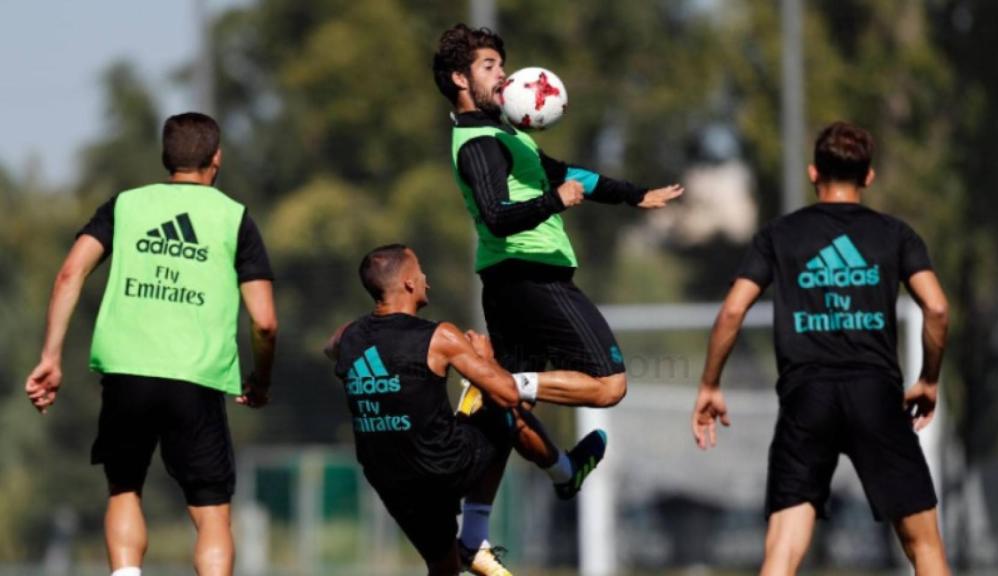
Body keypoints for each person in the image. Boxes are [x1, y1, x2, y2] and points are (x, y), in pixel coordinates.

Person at [690, 121, 951, 576]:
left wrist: (710, 383)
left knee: (783, 551)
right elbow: (937, 308)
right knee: (925, 548)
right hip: (876, 396)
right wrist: (929, 378)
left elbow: (732, 312)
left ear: (815, 174)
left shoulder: (778, 235)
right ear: (868, 177)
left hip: (806, 399)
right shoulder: (895, 234)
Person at [25, 112, 278, 576]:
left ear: (167, 159)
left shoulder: (124, 206)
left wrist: (51, 357)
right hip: (196, 376)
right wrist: (260, 380)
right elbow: (264, 322)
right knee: (211, 510)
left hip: (127, 371)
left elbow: (69, 273)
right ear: (216, 158)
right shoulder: (234, 218)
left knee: (125, 488)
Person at [432, 23, 684, 409]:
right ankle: (492, 380)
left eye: (502, 64)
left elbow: (567, 175)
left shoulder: (503, 135)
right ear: (459, 78)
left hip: (512, 279)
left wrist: (634, 195)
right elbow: (497, 216)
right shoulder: (479, 142)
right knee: (607, 384)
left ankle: (559, 468)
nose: (502, 73)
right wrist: (555, 202)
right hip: (529, 275)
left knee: (514, 410)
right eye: (488, 66)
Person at [324, 244, 607, 576]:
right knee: (496, 407)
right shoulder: (440, 336)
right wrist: (485, 359)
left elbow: (331, 348)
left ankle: (471, 546)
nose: (426, 278)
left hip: (391, 480)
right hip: (443, 466)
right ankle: (563, 473)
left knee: (443, 568)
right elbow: (506, 394)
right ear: (409, 284)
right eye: (420, 271)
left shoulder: (347, 338)